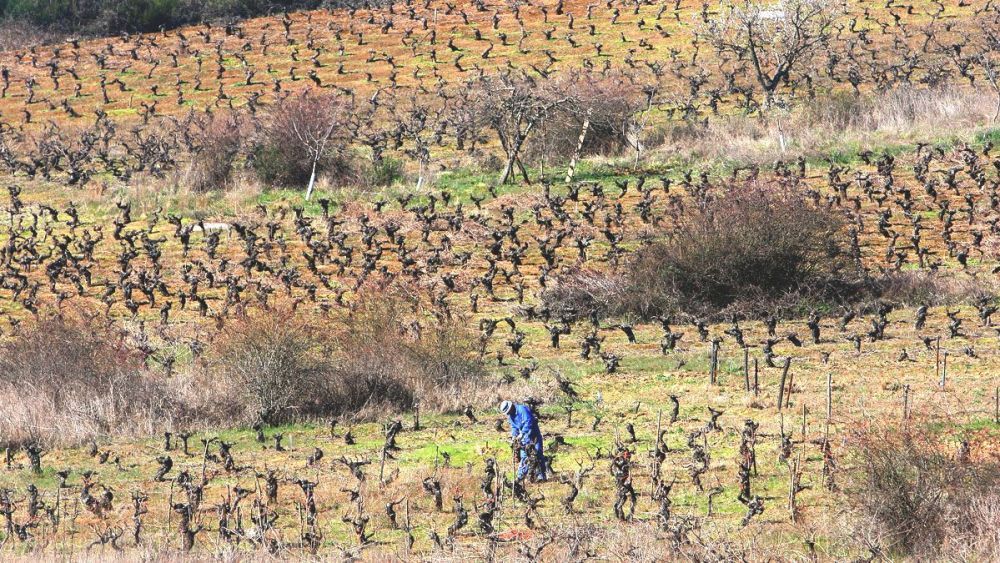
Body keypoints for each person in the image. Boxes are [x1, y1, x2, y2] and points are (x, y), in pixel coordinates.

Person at [500, 400, 546, 481]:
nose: (508, 413)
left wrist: (523, 433)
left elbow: (529, 421)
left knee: (538, 453)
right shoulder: (511, 417)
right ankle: (520, 476)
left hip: (533, 435)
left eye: (508, 411)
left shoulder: (522, 409)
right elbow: (514, 427)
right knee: (524, 456)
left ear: (511, 407)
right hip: (524, 439)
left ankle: (541, 476)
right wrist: (514, 436)